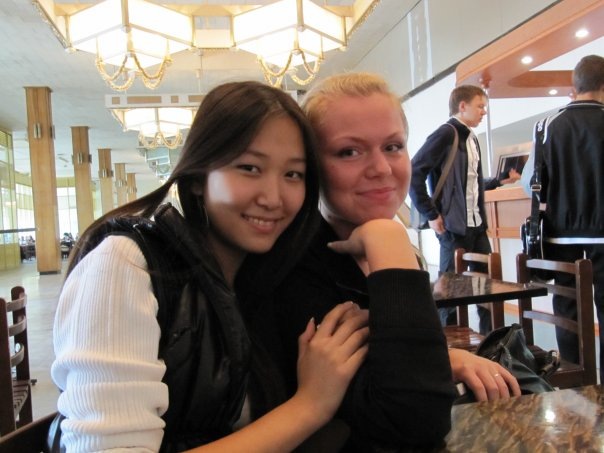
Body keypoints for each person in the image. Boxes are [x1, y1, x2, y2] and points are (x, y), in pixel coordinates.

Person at [51, 81, 370, 452]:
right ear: (199, 178)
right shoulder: (126, 264)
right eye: (249, 168)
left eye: (293, 174)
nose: (274, 198)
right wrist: (310, 405)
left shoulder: (267, 278)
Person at [260, 73, 520, 452]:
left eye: (393, 146)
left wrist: (445, 357)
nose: (381, 169)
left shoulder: (386, 250)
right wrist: (390, 238)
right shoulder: (295, 265)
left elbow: (395, 362)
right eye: (349, 152)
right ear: (311, 166)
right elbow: (413, 421)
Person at [520, 54, 604, 383]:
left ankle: (574, 381)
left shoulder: (546, 126)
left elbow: (530, 183)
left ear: (575, 86)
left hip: (560, 236)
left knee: (568, 310)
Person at [409, 84, 494, 335]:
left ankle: (491, 341)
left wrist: (499, 180)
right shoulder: (446, 134)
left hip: (476, 226)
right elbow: (414, 172)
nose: (484, 111)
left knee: (486, 288)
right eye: (480, 106)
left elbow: (468, 183)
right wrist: (431, 213)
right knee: (449, 292)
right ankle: (449, 345)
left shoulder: (472, 138)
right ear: (463, 106)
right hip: (453, 227)